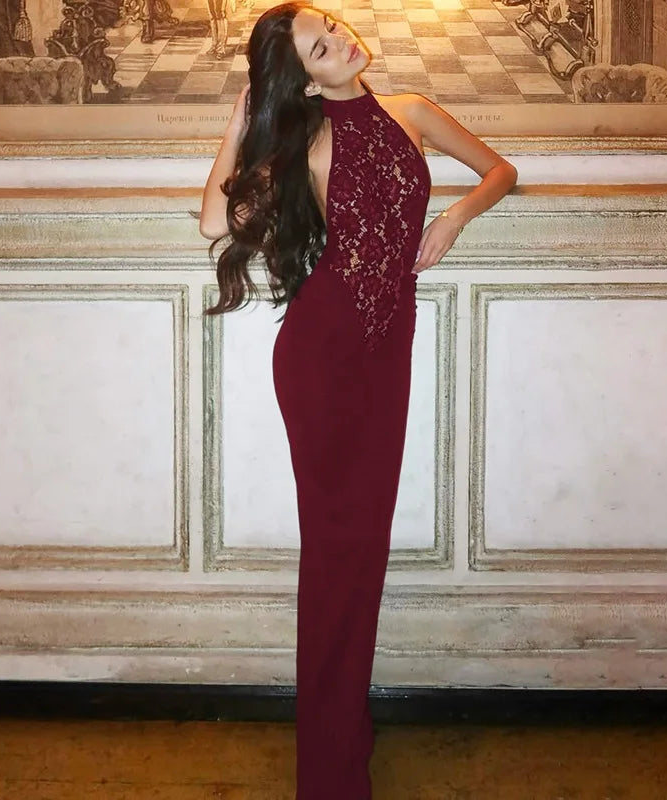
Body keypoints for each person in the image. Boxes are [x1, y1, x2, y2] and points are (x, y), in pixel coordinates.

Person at [199, 4, 517, 797]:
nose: (341, 40)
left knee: (360, 554)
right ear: (304, 73)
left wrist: (456, 216)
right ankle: (332, 762)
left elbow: (502, 171)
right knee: (337, 556)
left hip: (385, 360)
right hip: (319, 362)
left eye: (333, 26)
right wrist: (240, 122)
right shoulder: (300, 140)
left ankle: (345, 737)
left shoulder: (411, 113)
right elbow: (213, 219)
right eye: (319, 46)